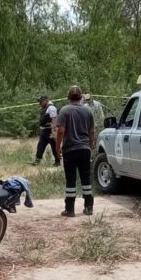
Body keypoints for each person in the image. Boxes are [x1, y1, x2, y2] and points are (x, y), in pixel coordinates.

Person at [56, 86, 95, 217]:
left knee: (71, 180)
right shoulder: (88, 110)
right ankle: (89, 207)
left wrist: (57, 147)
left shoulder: (64, 111)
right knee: (86, 179)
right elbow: (92, 131)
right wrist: (90, 145)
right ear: (81, 97)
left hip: (70, 150)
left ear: (68, 97)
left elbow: (61, 131)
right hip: (84, 149)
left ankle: (70, 209)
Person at [33, 95, 60, 166]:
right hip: (45, 131)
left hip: (50, 130)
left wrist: (54, 133)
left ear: (45, 100)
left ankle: (57, 162)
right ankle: (37, 161)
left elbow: (54, 120)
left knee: (54, 147)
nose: (39, 103)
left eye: (41, 102)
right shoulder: (45, 108)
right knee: (40, 146)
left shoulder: (51, 108)